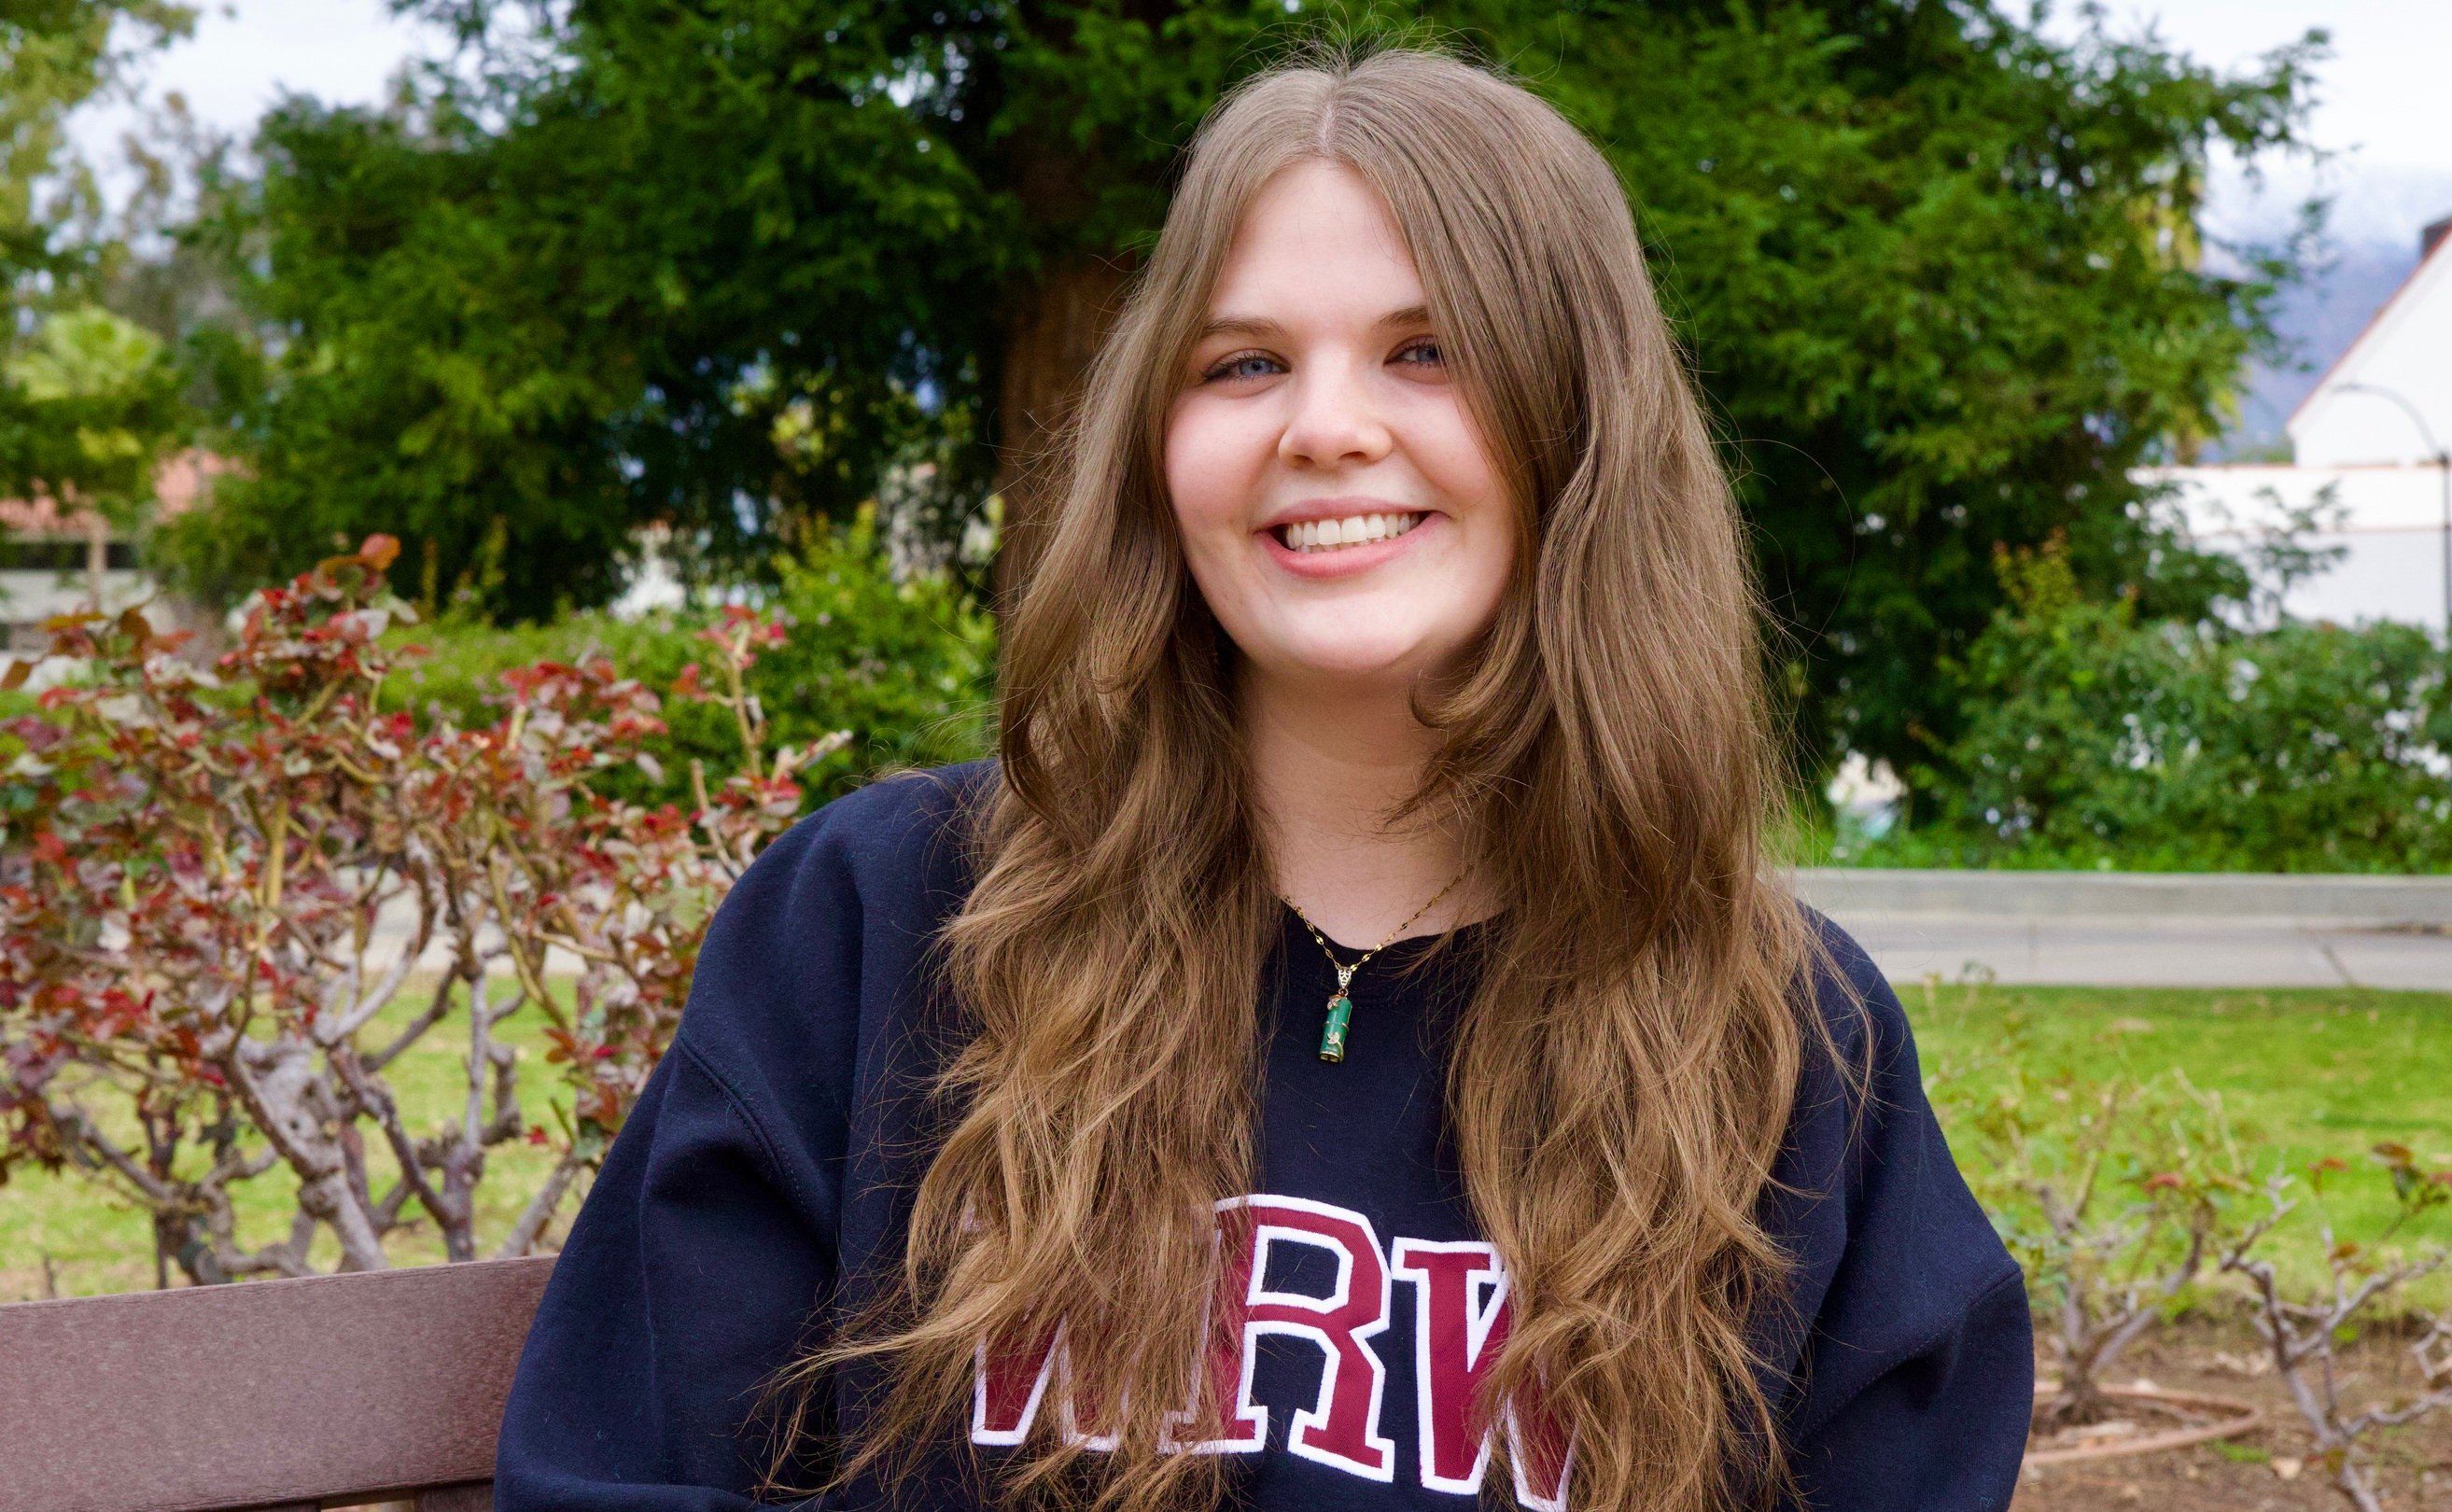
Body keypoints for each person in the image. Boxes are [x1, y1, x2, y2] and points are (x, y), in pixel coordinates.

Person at [495, 44, 2030, 1512]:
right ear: (1159, 447)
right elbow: (619, 1474)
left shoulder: (1788, 1055)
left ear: (1580, 428)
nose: (1328, 427)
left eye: (1426, 351)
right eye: (1245, 363)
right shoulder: (878, 923)